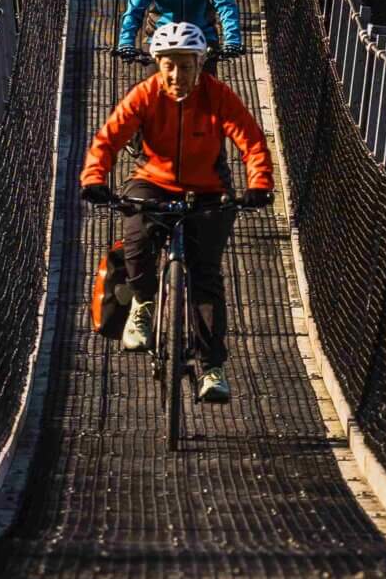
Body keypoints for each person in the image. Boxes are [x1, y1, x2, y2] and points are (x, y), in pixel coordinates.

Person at [80, 23, 273, 403]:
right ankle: (143, 302)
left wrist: (259, 184)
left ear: (200, 64)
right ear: (158, 64)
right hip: (153, 180)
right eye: (169, 65)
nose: (176, 74)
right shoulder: (145, 94)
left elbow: (250, 140)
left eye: (186, 65)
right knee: (136, 236)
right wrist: (94, 178)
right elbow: (108, 138)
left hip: (207, 190)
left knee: (205, 276)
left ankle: (212, 368)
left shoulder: (218, 96)